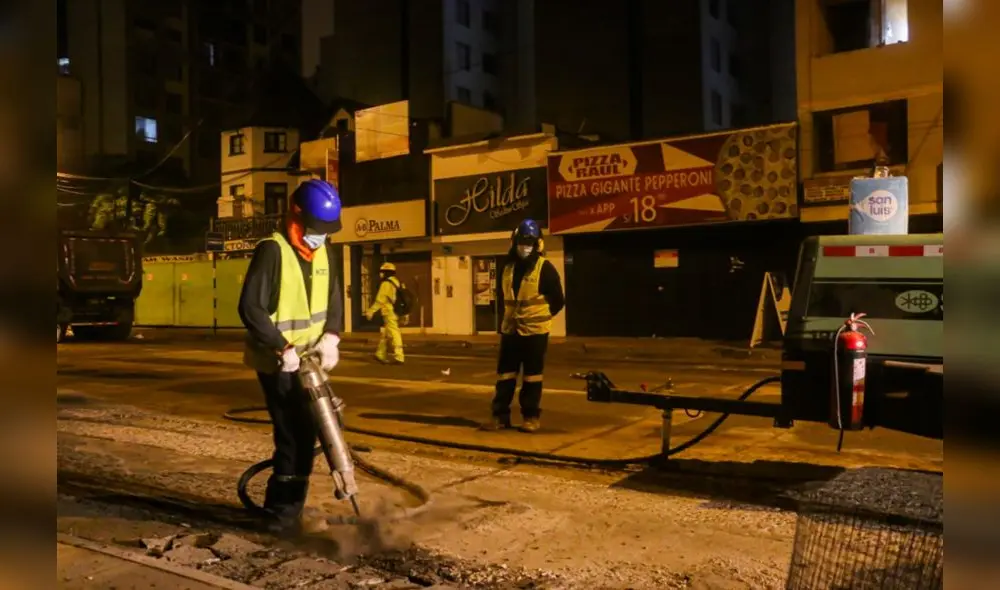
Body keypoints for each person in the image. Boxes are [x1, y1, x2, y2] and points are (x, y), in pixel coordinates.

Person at [238, 179, 344, 535]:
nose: (321, 237)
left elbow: (334, 298)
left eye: (326, 231)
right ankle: (281, 515)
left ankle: (290, 508)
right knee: (292, 434)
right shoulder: (272, 251)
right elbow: (250, 307)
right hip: (279, 361)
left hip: (311, 359)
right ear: (296, 215)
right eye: (316, 229)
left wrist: (332, 336)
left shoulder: (325, 250)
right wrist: (280, 347)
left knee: (313, 429)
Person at [481, 218, 565, 433]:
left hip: (535, 333)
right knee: (505, 375)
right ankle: (500, 417)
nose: (524, 247)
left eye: (529, 242)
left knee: (532, 376)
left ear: (538, 244)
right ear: (513, 242)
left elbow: (558, 300)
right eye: (521, 242)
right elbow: (504, 298)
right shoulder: (507, 268)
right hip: (511, 331)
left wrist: (541, 317)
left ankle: (531, 417)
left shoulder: (545, 268)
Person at [364, 262, 405, 365]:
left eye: (382, 272)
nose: (380, 274)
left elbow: (380, 300)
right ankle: (380, 354)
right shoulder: (398, 282)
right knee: (386, 334)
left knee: (394, 334)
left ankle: (399, 356)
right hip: (396, 311)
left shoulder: (386, 284)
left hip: (389, 312)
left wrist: (370, 311)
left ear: (386, 273)